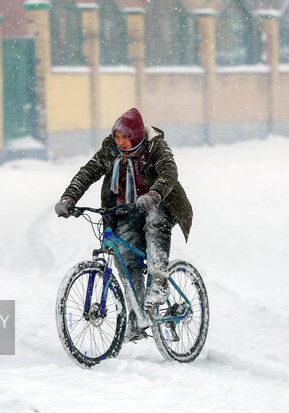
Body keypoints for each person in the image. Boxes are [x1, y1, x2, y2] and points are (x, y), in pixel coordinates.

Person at [54, 108, 193, 319]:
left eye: (125, 137)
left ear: (136, 135)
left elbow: (168, 171)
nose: (120, 142)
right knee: (126, 258)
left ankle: (159, 280)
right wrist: (69, 197)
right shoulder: (110, 150)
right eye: (117, 136)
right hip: (127, 209)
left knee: (155, 222)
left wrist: (154, 194)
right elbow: (88, 172)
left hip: (161, 202)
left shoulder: (154, 146)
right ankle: (138, 315)